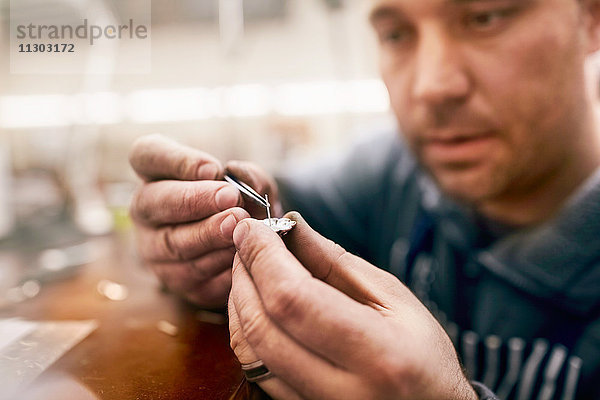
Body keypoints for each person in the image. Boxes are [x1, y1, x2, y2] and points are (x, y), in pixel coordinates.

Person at [128, 0, 600, 398]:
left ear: (590, 17)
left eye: (484, 18)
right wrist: (202, 231)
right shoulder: (394, 170)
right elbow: (282, 199)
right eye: (396, 34)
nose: (431, 87)